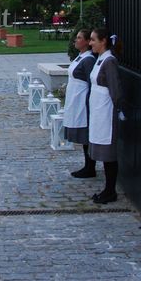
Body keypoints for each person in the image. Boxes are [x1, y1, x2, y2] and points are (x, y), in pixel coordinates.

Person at [87, 28, 125, 204]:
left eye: (93, 40)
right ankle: (107, 189)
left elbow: (115, 90)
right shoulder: (99, 59)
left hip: (105, 112)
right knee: (102, 150)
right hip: (98, 111)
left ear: (103, 41)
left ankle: (110, 190)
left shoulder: (109, 61)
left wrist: (118, 109)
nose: (90, 43)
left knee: (109, 153)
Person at [62, 29, 97, 178]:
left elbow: (91, 83)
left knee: (86, 134)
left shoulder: (88, 60)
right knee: (83, 135)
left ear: (87, 42)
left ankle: (90, 167)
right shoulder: (80, 57)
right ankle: (87, 165)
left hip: (82, 101)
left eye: (79, 38)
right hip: (75, 99)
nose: (75, 40)